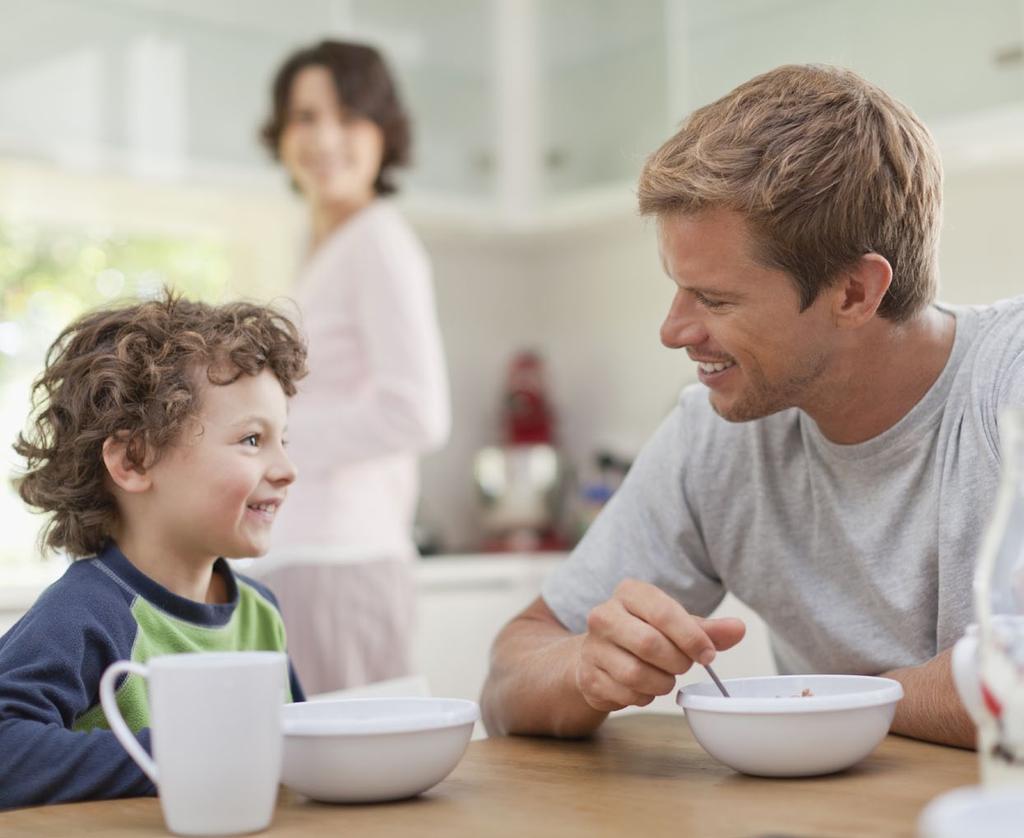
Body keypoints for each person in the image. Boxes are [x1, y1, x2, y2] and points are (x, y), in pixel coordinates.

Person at [481, 64, 1024, 748]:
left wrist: (822, 705)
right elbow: (508, 677)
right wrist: (585, 671)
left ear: (855, 292)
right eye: (678, 289)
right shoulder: (714, 435)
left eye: (714, 299)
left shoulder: (1009, 385)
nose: (673, 331)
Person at [0, 293, 308, 809]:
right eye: (253, 440)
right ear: (134, 460)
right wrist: (180, 754)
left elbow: (294, 751)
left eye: (284, 440)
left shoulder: (261, 612)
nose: (286, 469)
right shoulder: (88, 614)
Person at [256, 40, 450, 694]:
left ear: (383, 131)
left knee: (351, 777)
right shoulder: (315, 247)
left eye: (347, 114)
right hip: (301, 554)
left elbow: (417, 414)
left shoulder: (379, 239)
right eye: (304, 117)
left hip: (343, 556)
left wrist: (264, 442)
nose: (324, 137)